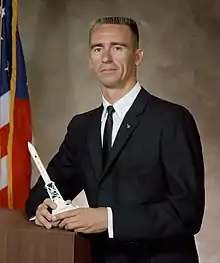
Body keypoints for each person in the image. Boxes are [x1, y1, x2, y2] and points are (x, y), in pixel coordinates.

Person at [26, 16, 205, 263]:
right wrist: (42, 210)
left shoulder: (172, 119)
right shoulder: (82, 127)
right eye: (98, 49)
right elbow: (41, 194)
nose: (106, 57)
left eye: (117, 48)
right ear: (90, 60)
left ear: (138, 56)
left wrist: (108, 219)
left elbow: (187, 213)